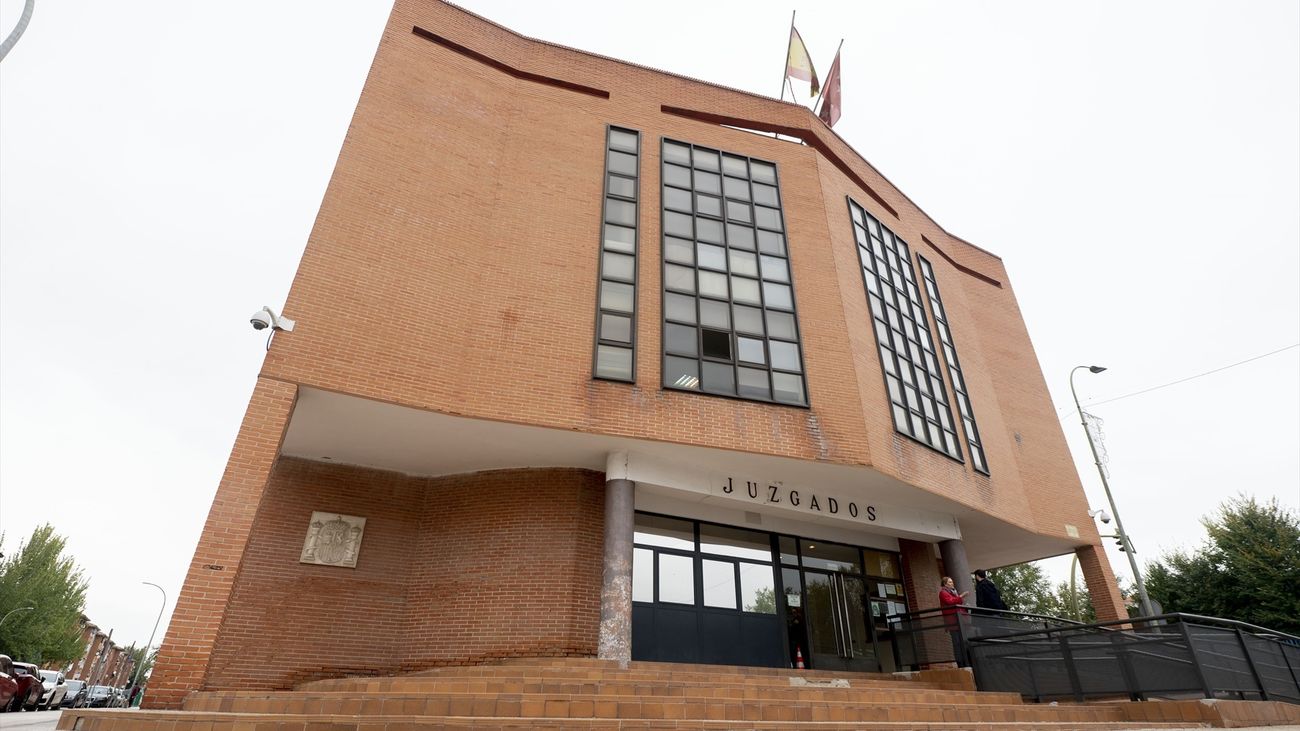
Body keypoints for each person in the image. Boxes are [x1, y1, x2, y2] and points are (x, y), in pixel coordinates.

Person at [938, 576, 969, 665]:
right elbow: (950, 602)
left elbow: (958, 602)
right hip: (952, 621)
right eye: (950, 582)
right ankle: (961, 663)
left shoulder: (953, 592)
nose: (952, 583)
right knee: (957, 643)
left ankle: (966, 661)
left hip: (959, 620)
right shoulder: (943, 593)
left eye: (952, 582)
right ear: (945, 584)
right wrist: (961, 596)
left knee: (963, 642)